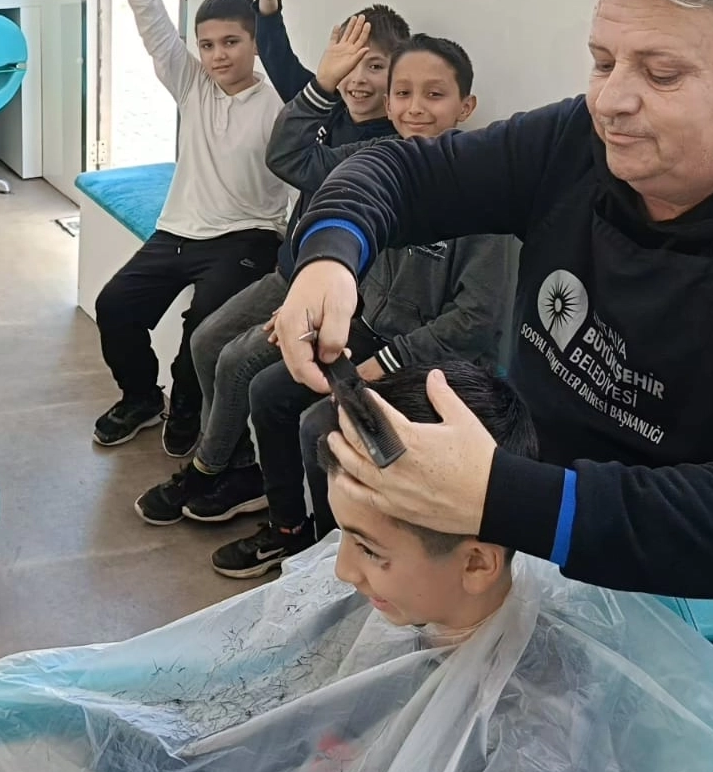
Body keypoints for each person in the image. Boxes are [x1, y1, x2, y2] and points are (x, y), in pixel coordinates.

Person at [273, 0, 713, 695]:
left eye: (662, 73)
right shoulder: (578, 144)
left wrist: (502, 497)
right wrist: (330, 255)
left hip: (711, 640)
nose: (613, 100)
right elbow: (398, 172)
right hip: (546, 568)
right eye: (602, 61)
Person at [0, 362, 713, 772]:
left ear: (479, 560)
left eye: (370, 550)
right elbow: (270, 711)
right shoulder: (403, 601)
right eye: (345, 536)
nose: (338, 572)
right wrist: (98, 724)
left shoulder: (530, 750)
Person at [206, 36, 518, 578]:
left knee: (319, 425)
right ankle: (289, 531)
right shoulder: (373, 161)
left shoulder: (487, 194)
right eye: (403, 93)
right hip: (369, 330)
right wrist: (323, 83)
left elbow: (476, 321)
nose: (416, 108)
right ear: (388, 103)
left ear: (465, 106)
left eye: (435, 95)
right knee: (266, 390)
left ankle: (343, 559)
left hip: (439, 363)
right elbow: (289, 157)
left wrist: (385, 363)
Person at [132, 10, 410, 523]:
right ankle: (236, 462)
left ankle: (209, 468)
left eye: (375, 66)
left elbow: (287, 158)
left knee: (237, 362)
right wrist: (266, 7)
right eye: (348, 62)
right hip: (290, 272)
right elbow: (280, 62)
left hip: (326, 292)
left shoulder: (386, 146)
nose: (358, 79)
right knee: (205, 341)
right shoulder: (332, 108)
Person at [91, 0, 291, 449]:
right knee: (114, 306)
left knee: (203, 323)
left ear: (255, 42)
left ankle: (186, 406)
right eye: (207, 44)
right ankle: (141, 398)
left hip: (248, 235)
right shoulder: (194, 85)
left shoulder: (279, 102)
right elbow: (158, 35)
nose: (218, 54)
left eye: (231, 42)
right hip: (178, 230)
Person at [257, 0, 399, 144]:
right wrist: (267, 0)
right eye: (348, 65)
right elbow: (278, 59)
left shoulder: (399, 138)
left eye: (375, 66)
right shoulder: (323, 107)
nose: (358, 78)